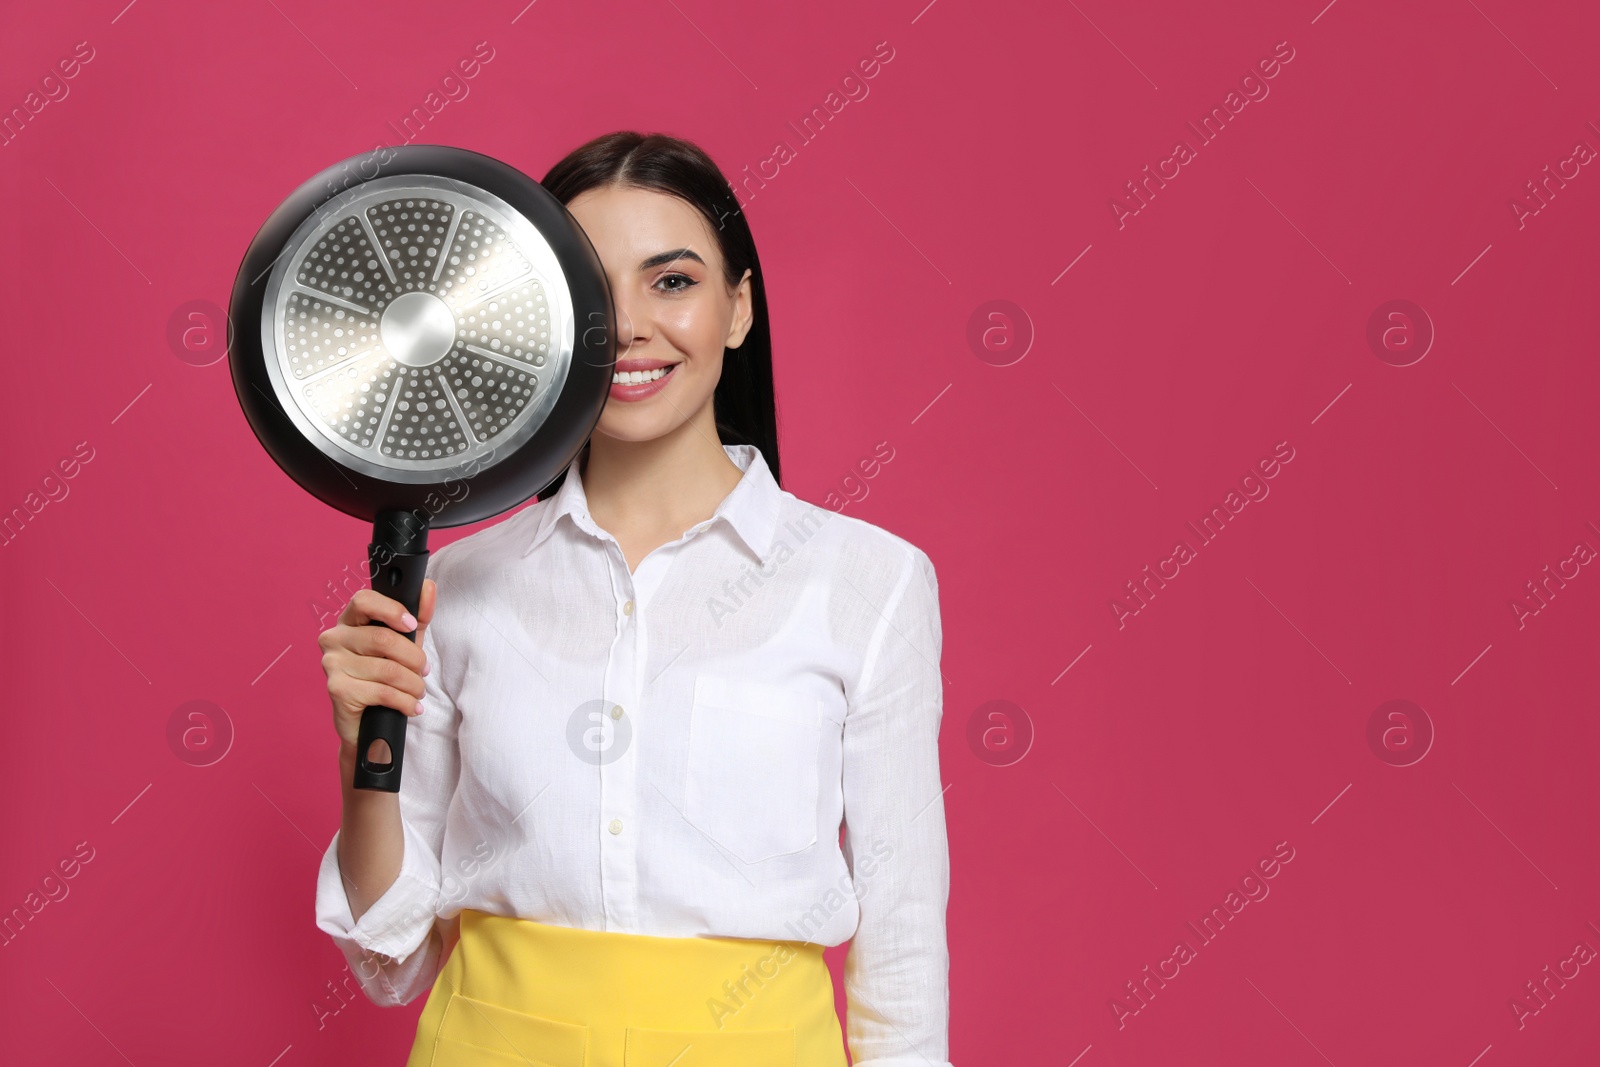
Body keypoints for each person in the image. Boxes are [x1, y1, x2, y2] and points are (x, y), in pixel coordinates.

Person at [313, 130, 952, 1067]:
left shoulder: (869, 581)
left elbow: (901, 936)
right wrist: (360, 749)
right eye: (585, 287)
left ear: (738, 308)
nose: (629, 326)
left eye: (673, 280)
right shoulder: (466, 585)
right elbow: (389, 958)